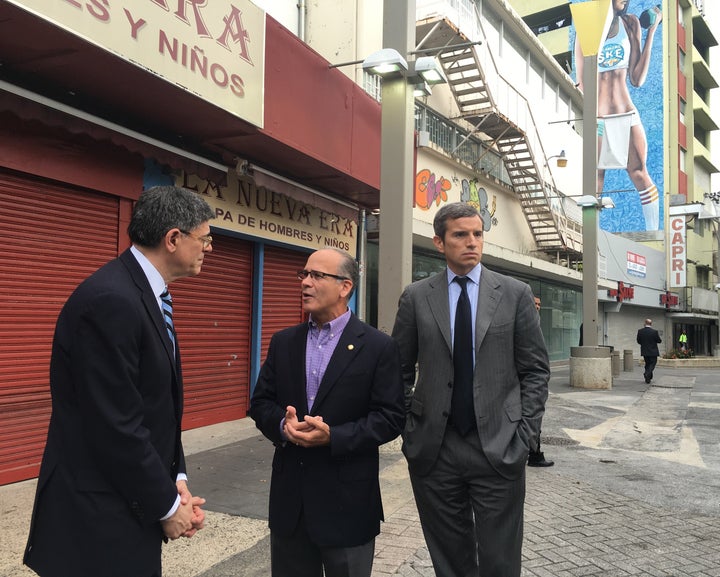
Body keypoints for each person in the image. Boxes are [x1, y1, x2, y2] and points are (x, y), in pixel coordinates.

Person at [24, 186, 213, 577]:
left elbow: (155, 405)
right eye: (205, 238)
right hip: (97, 521)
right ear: (173, 238)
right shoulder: (112, 300)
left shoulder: (144, 293)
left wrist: (175, 479)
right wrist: (166, 506)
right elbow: (116, 425)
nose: (209, 248)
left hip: (128, 502)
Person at [391, 202, 550, 577]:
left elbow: (535, 371)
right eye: (460, 235)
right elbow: (396, 371)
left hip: (498, 446)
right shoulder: (416, 297)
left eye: (477, 234)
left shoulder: (514, 293)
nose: (472, 242)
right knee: (450, 559)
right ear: (439, 242)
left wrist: (524, 436)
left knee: (500, 560)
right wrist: (411, 427)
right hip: (435, 449)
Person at [249, 248, 405, 577]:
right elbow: (260, 402)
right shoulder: (284, 342)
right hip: (291, 506)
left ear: (345, 286)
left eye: (316, 275)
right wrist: (282, 425)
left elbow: (390, 417)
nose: (305, 282)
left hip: (348, 506)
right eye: (303, 274)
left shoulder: (378, 346)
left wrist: (335, 436)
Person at [575, 0, 663, 231]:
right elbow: (583, 82)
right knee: (594, 180)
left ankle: (653, 236)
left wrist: (651, 32)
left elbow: (637, 79)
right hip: (600, 118)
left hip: (626, 112)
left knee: (639, 173)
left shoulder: (630, 22)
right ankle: (590, 240)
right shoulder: (586, 27)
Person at [527, 296, 554, 468]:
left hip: (536, 379)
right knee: (533, 419)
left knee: (536, 418)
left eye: (539, 304)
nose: (537, 307)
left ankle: (535, 453)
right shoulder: (525, 320)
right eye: (534, 304)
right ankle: (534, 454)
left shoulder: (536, 320)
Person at [637, 318, 662, 384]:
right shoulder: (654, 332)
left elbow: (638, 341)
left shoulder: (640, 331)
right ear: (651, 324)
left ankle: (648, 379)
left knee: (647, 364)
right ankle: (647, 373)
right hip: (653, 351)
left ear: (645, 323)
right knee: (653, 363)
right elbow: (659, 341)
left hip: (644, 351)